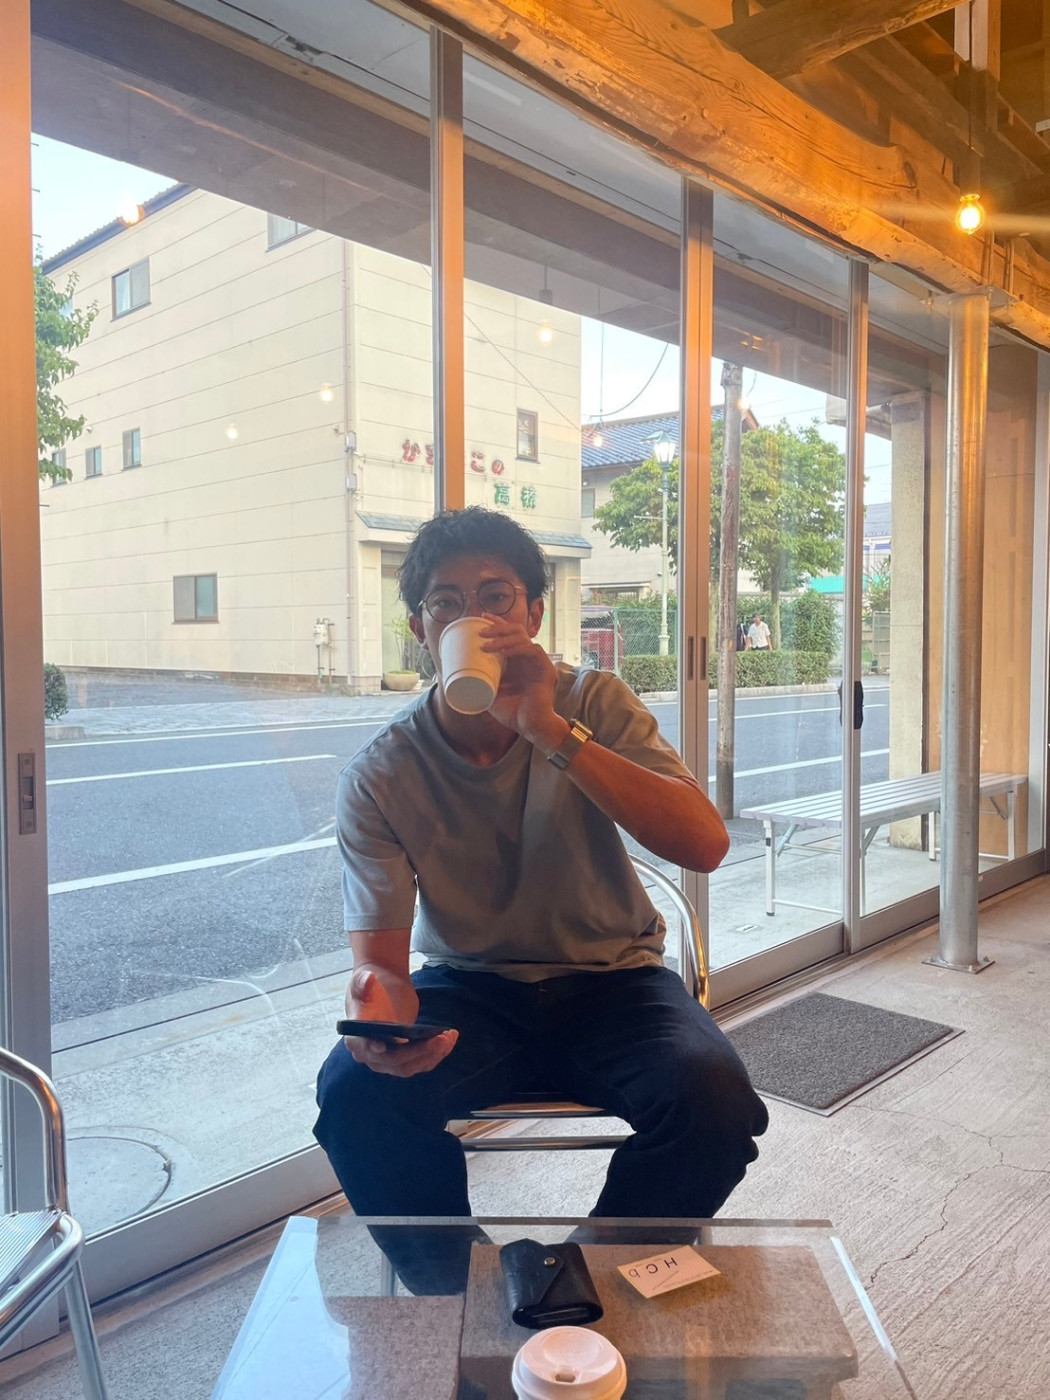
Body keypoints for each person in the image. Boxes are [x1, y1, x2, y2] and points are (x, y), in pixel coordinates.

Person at [313, 508, 768, 1278]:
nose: (475, 618)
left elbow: (705, 845)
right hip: (471, 990)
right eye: (447, 602)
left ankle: (590, 1276)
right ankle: (461, 1293)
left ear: (533, 614)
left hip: (616, 982)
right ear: (421, 629)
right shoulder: (383, 773)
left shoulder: (596, 703)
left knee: (715, 1101)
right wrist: (379, 1017)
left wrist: (549, 729)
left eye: (496, 597)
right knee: (354, 1092)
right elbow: (382, 967)